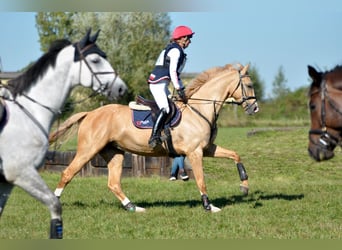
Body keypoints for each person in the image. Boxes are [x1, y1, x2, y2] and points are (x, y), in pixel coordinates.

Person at [147, 25, 194, 148]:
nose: (190, 41)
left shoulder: (178, 50)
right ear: (182, 38)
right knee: (166, 109)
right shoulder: (175, 50)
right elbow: (172, 72)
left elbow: (176, 75)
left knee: (175, 106)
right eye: (189, 38)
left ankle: (167, 132)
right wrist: (178, 88)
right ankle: (154, 136)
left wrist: (182, 89)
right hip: (157, 83)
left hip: (163, 84)